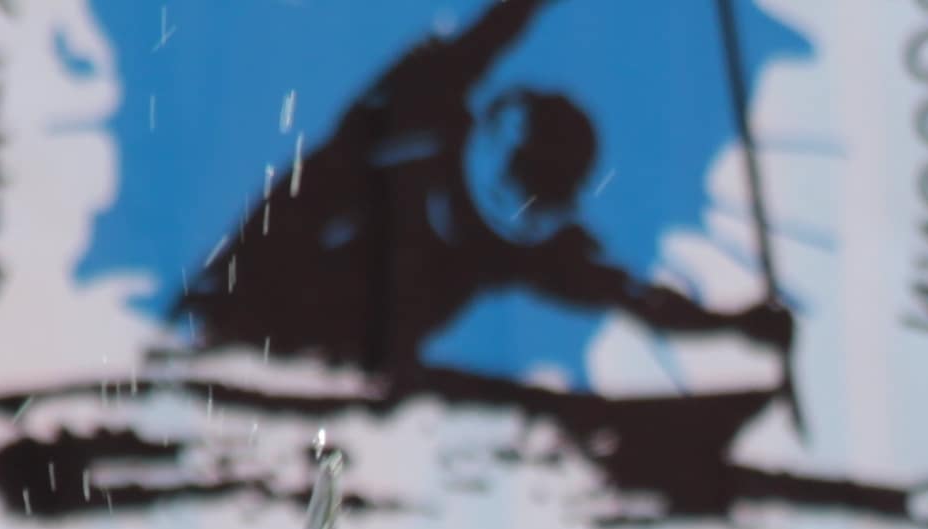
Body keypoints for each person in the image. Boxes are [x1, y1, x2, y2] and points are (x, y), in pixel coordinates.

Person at [172, 0, 795, 384]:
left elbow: (634, 297)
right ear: (496, 131)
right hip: (230, 319)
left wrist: (738, 326)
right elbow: (496, 28)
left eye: (542, 198)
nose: (523, 204)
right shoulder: (416, 109)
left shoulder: (517, 244)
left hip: (340, 374)